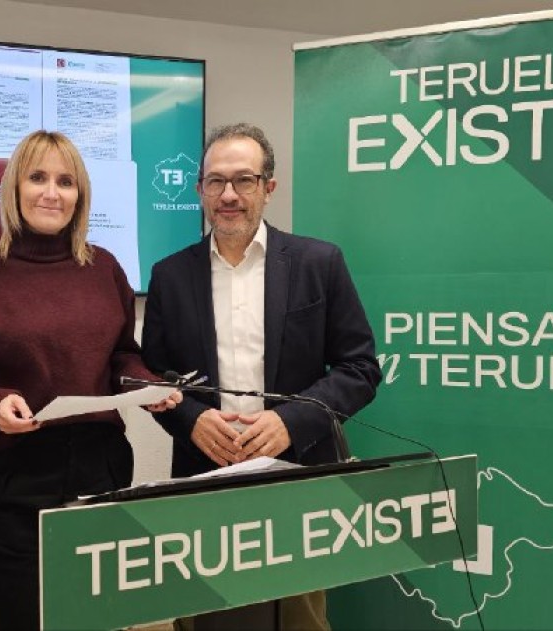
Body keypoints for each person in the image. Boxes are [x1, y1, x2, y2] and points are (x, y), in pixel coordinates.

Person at [141, 123, 383, 630]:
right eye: (215, 181)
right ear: (199, 190)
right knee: (204, 615)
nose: (228, 195)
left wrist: (290, 423)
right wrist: (191, 419)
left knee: (299, 620)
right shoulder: (169, 275)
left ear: (268, 187)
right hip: (204, 476)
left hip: (299, 475)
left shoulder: (319, 262)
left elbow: (359, 368)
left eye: (244, 180)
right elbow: (152, 379)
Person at [0, 129, 181, 630]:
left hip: (101, 473)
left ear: (80, 195)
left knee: (98, 620)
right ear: (14, 188)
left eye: (66, 182)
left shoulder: (104, 268)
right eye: (38, 178)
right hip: (14, 481)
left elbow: (121, 356)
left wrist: (145, 384)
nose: (52, 192)